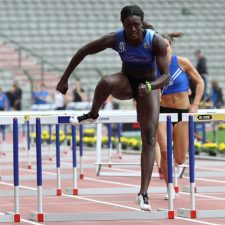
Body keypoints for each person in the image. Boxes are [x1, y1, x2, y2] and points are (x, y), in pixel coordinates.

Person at [56, 5, 170, 211]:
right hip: (127, 82)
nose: (133, 30)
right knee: (107, 81)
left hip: (150, 86)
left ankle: (143, 194)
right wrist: (64, 79)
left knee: (150, 137)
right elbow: (84, 51)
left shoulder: (155, 41)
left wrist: (151, 86)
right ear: (123, 25)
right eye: (129, 26)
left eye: (136, 25)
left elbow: (166, 76)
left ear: (142, 24)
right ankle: (92, 114)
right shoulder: (116, 39)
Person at [156, 32, 204, 199]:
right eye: (160, 47)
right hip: (162, 113)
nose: (163, 49)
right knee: (164, 150)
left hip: (182, 113)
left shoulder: (182, 62)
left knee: (181, 158)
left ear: (171, 46)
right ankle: (170, 187)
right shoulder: (151, 65)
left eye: (166, 46)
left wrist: (195, 104)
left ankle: (173, 171)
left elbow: (200, 82)